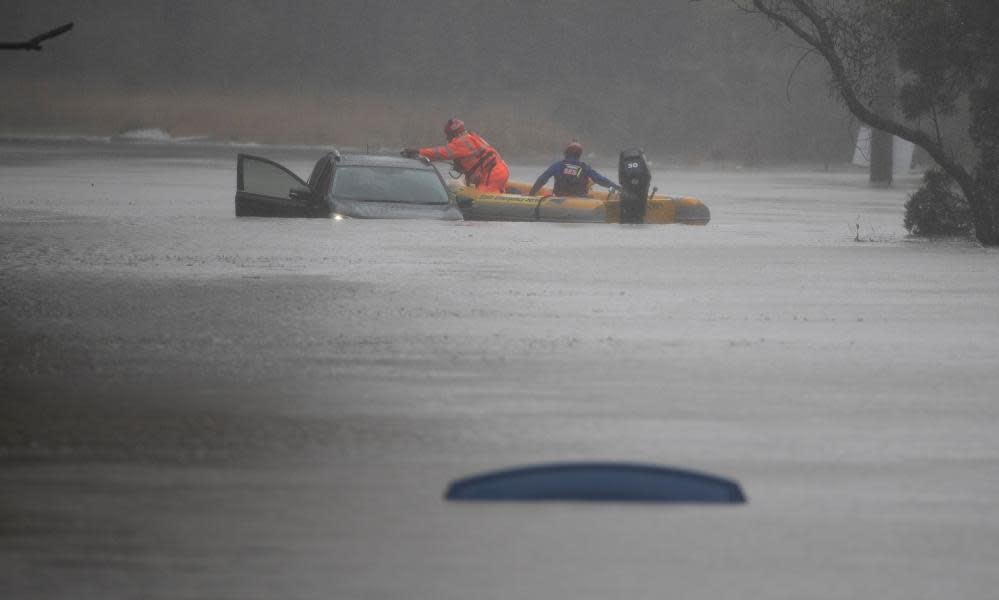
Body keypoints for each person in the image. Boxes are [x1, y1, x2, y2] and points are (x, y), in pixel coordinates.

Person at [402, 119, 509, 193]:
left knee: (480, 198)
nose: (447, 138)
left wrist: (419, 151)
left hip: (493, 173)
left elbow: (440, 153)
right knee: (488, 193)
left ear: (452, 133)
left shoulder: (461, 142)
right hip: (496, 171)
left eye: (447, 135)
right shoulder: (470, 137)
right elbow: (475, 160)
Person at [529, 141, 620, 197]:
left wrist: (532, 193)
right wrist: (617, 188)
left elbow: (542, 179)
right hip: (580, 197)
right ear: (579, 154)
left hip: (560, 196)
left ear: (566, 153)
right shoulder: (584, 167)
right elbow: (600, 180)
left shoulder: (557, 165)